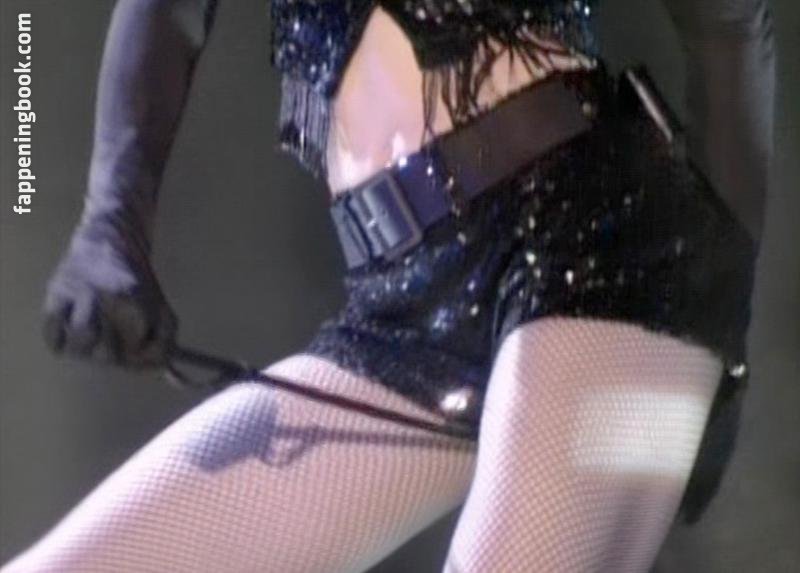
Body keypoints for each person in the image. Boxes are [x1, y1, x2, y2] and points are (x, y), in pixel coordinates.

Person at [2, 0, 775, 571]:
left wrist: (727, 347)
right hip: (400, 306)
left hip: (596, 238)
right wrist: (111, 227)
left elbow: (731, 26)